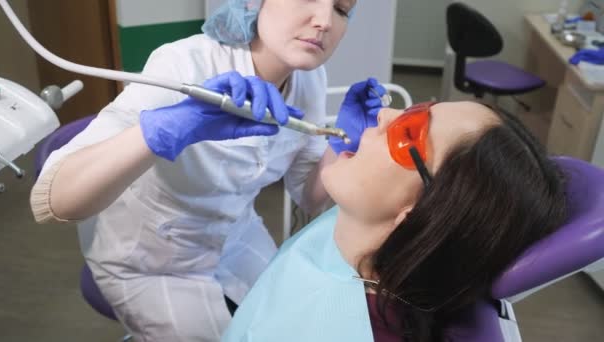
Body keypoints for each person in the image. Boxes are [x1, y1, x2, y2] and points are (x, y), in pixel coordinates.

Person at [30, 0, 387, 341]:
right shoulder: (183, 63)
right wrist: (164, 131)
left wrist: (344, 143)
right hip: (150, 256)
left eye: (341, 9)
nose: (325, 20)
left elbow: (308, 195)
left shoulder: (311, 79)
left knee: (287, 317)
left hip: (234, 234)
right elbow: (57, 199)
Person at [222, 101, 568, 342]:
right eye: (417, 110)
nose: (386, 114)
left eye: (408, 131)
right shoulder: (351, 233)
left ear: (418, 213)